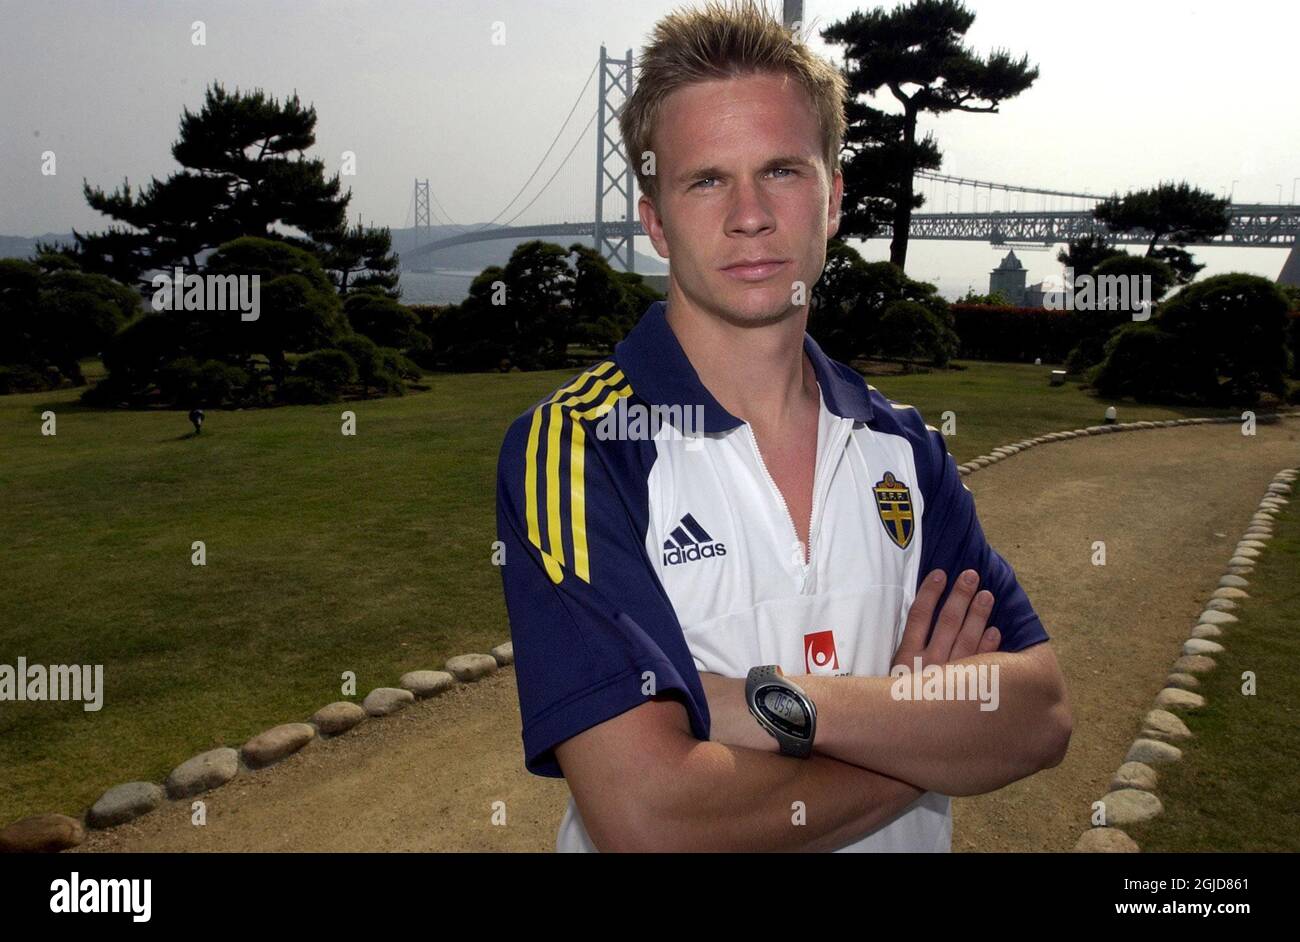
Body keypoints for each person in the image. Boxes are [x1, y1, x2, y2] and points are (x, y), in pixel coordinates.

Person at [495, 0, 1070, 852]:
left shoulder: (904, 447)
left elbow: (1040, 713)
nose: (749, 215)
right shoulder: (580, 449)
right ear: (653, 220)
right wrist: (923, 733)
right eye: (704, 179)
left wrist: (763, 704)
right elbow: (652, 821)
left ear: (834, 199)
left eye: (782, 171)